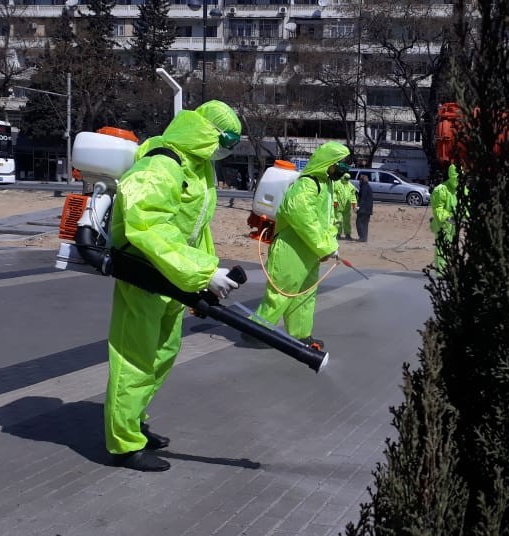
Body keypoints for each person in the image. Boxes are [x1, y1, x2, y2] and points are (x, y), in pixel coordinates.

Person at [104, 100, 243, 472]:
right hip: (145, 273)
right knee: (135, 358)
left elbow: (195, 231)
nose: (227, 149)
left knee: (162, 355)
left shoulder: (198, 170)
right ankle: (123, 444)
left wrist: (207, 275)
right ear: (208, 134)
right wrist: (200, 273)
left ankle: (134, 422)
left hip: (172, 277)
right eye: (226, 140)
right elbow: (146, 225)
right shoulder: (163, 164)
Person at [254, 141, 351, 349]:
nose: (342, 168)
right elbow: (300, 216)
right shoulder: (308, 183)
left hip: (309, 251)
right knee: (281, 291)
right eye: (339, 163)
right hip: (291, 249)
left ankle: (301, 334)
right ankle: (257, 331)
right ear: (327, 163)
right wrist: (324, 246)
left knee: (306, 293)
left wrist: (330, 244)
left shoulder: (327, 185)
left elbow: (328, 220)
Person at [429, 163, 466, 274]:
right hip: (442, 226)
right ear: (451, 176)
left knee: (453, 248)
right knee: (442, 249)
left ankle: (451, 270)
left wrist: (466, 218)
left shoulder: (463, 190)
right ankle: (441, 273)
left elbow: (466, 206)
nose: (459, 181)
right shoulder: (441, 190)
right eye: (456, 178)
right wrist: (449, 218)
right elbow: (437, 209)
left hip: (455, 226)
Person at [333, 173, 357, 240]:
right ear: (343, 177)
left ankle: (347, 234)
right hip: (338, 206)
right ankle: (338, 234)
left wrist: (354, 205)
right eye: (346, 178)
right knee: (338, 220)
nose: (346, 180)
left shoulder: (350, 186)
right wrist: (335, 201)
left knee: (347, 221)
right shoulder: (337, 183)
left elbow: (353, 196)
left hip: (347, 207)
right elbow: (334, 193)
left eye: (348, 179)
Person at [355, 173, 373, 242]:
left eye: (360, 180)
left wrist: (358, 207)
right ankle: (364, 237)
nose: (359, 181)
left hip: (364, 209)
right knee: (365, 223)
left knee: (359, 222)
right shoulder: (367, 186)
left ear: (362, 180)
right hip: (368, 209)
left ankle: (362, 237)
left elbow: (363, 198)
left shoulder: (364, 187)